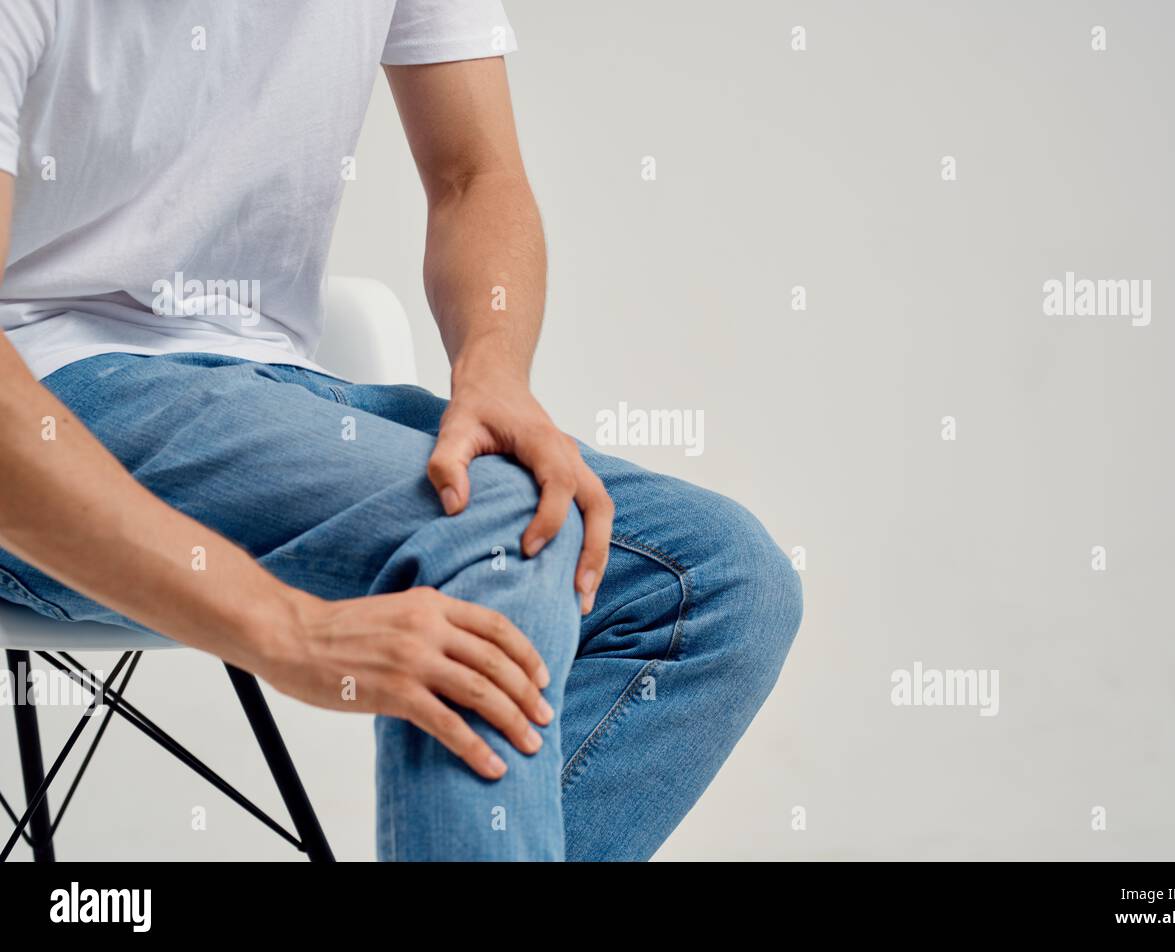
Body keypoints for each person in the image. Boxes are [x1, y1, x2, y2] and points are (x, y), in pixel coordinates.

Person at [0, 0, 801, 860]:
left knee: (713, 578)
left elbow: (475, 174)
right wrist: (290, 631)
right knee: (498, 525)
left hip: (268, 388)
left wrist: (492, 367)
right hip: (48, 391)